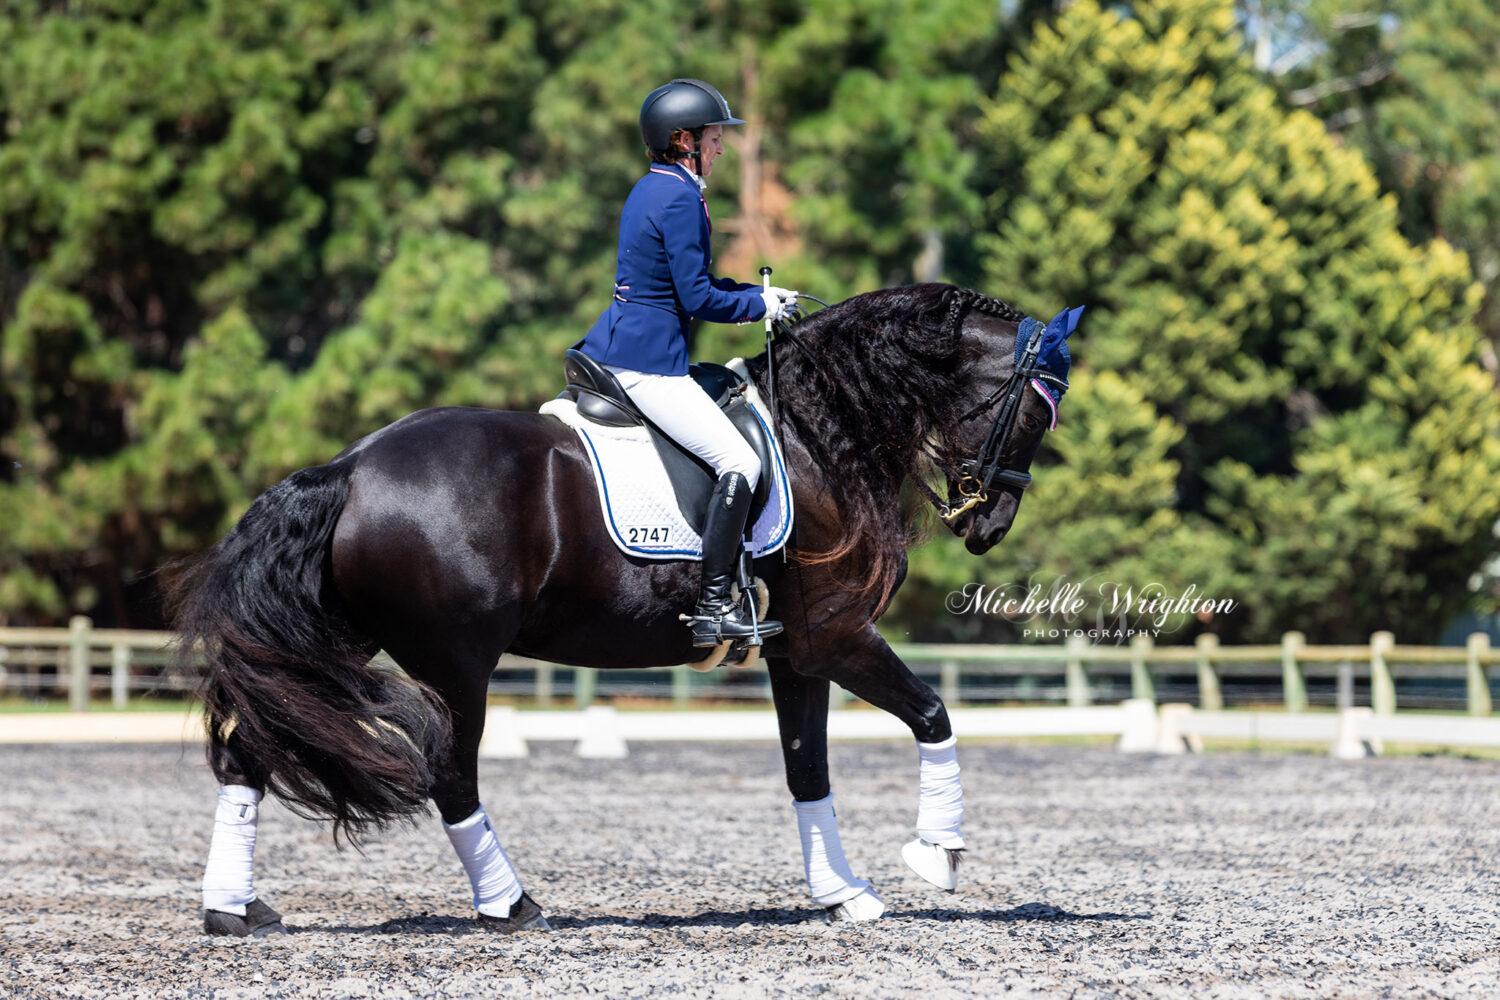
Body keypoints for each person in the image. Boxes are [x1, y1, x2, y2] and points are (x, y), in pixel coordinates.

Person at [576, 78, 794, 647]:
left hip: (627, 344)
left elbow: (691, 283)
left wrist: (759, 294)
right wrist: (756, 304)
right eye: (715, 137)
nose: (722, 147)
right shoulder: (679, 197)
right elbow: (697, 299)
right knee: (739, 463)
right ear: (684, 140)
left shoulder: (658, 186)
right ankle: (714, 605)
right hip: (648, 363)